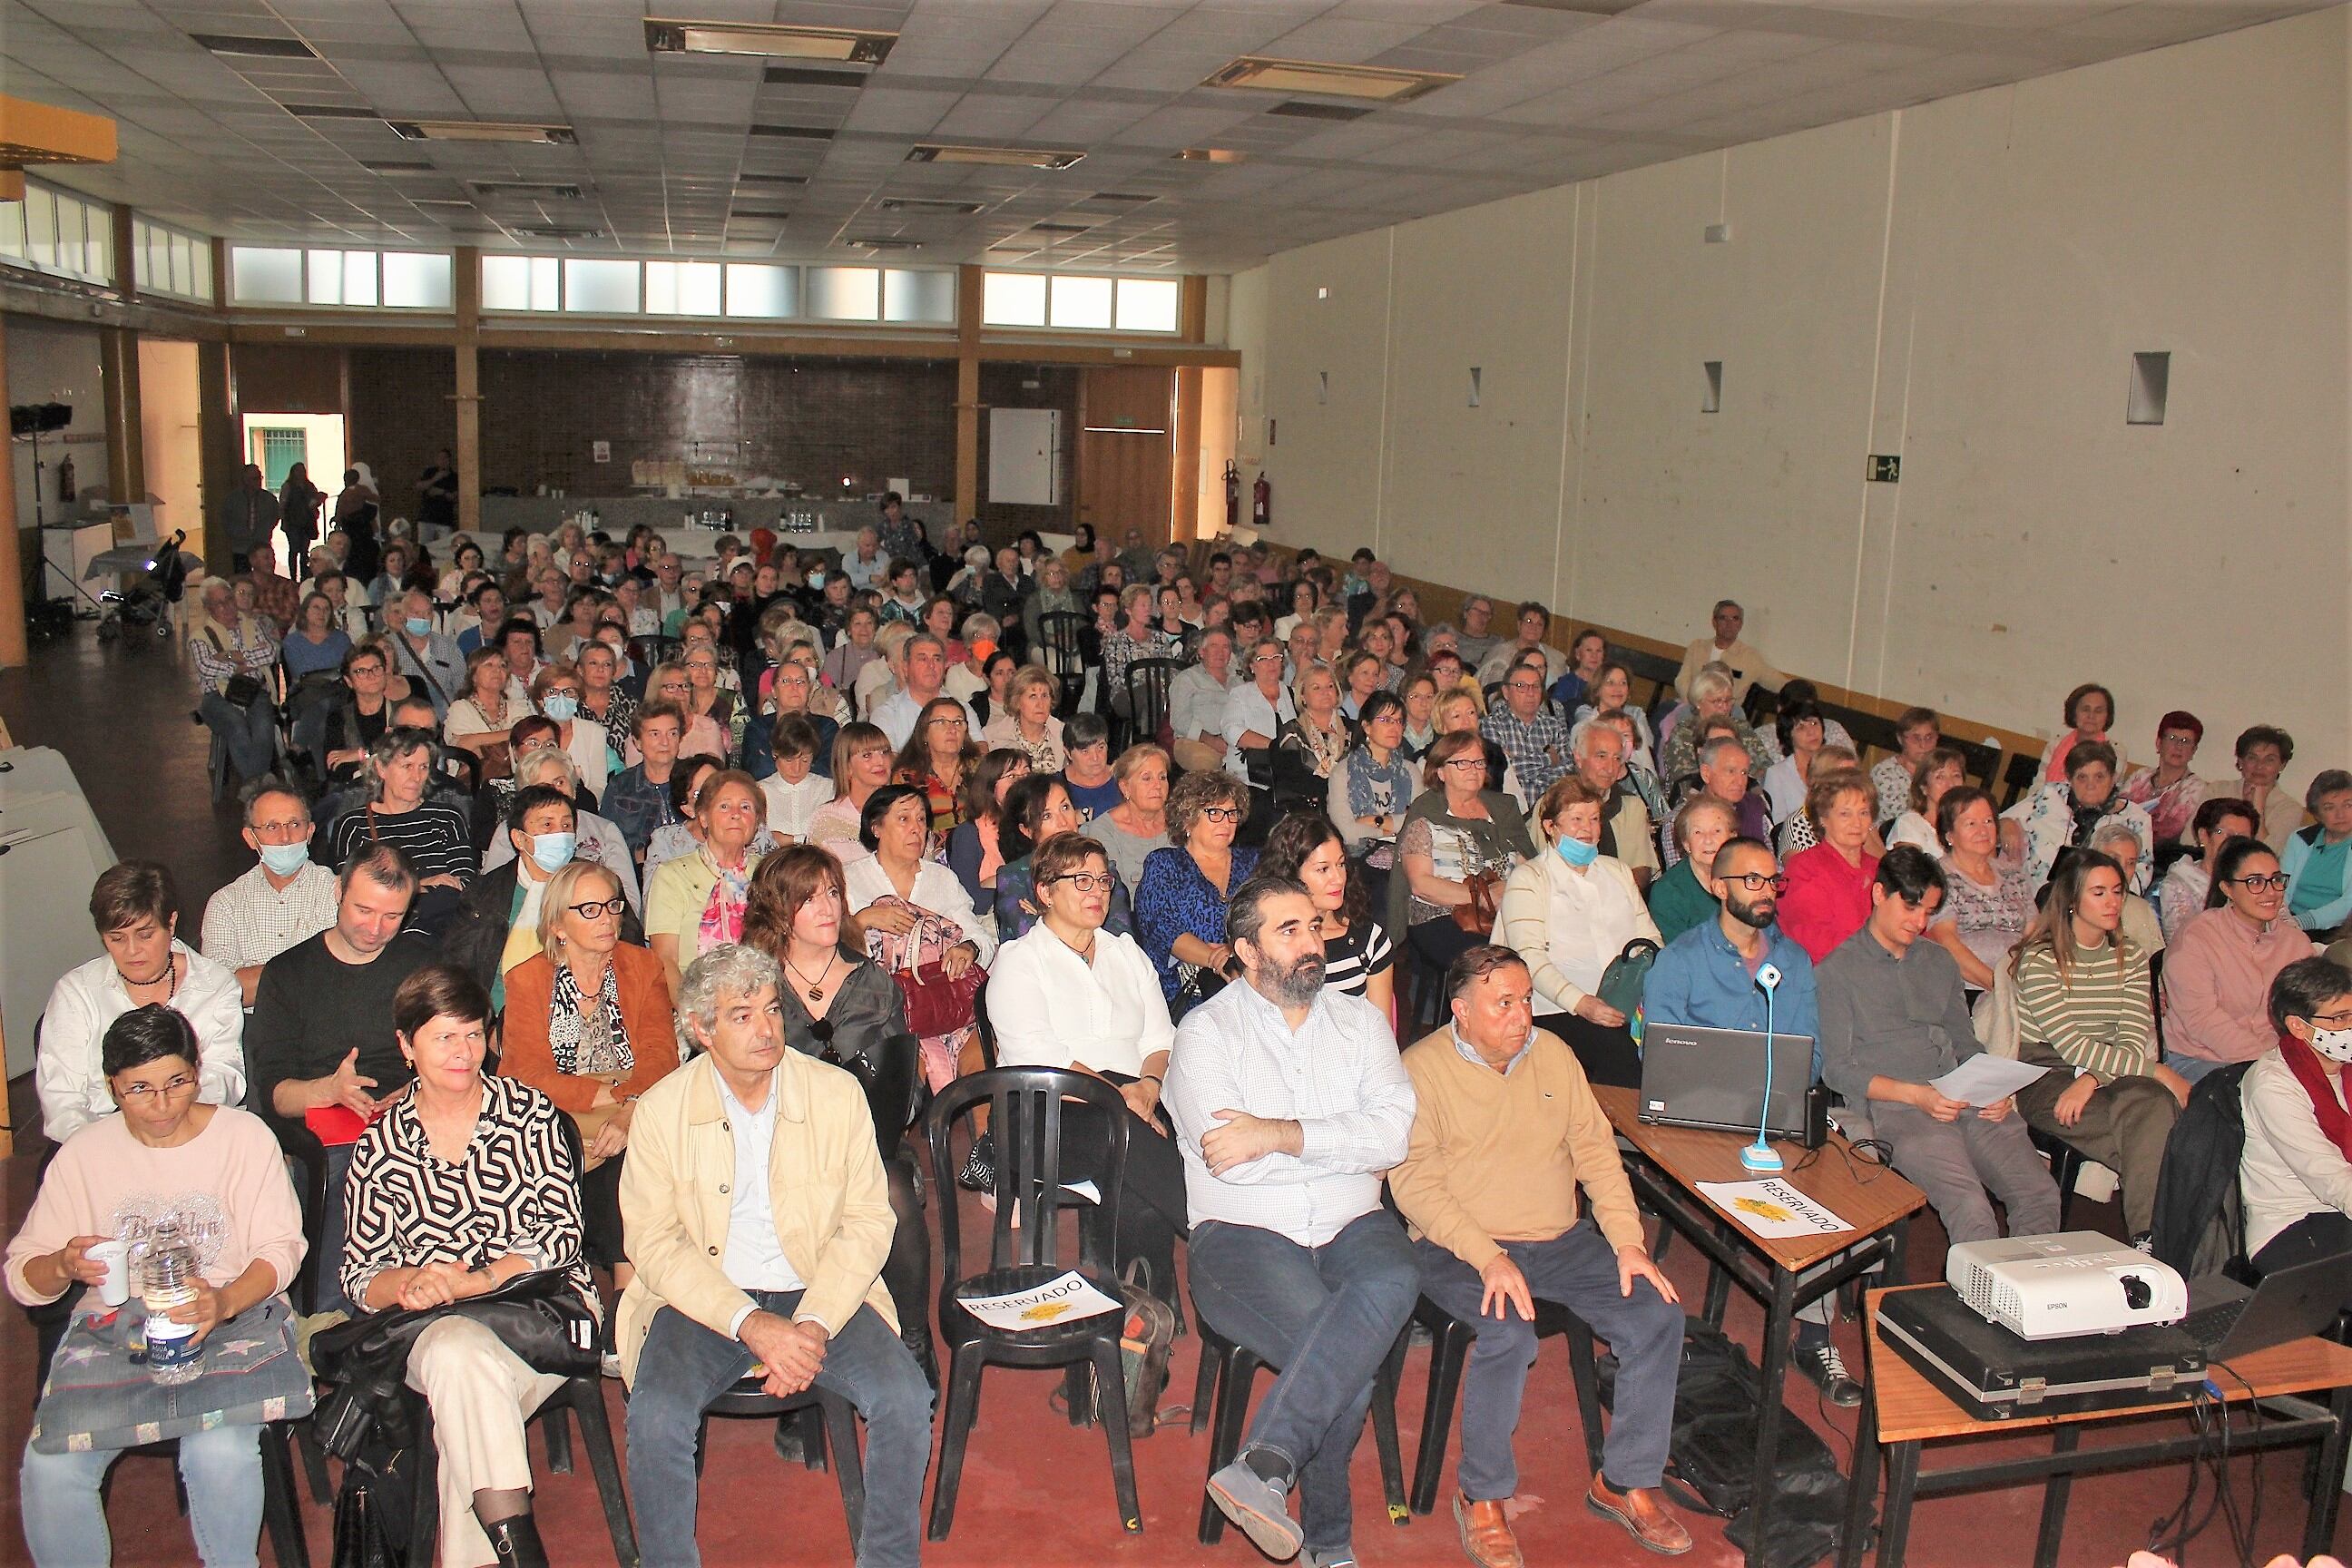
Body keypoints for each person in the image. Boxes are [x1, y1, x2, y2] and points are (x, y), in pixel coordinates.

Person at [617, 940, 932, 1568]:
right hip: (705, 1300)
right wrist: (750, 1323)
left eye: (770, 1010)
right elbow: (652, 1243)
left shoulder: (834, 1094)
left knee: (906, 1399)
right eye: (742, 1015)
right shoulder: (660, 1112)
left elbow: (869, 1220)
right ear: (700, 1029)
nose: (766, 1029)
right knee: (655, 1420)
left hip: (819, 1290)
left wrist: (811, 1324)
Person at [1390, 946, 1690, 1563]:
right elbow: (1414, 1185)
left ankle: (1624, 1480)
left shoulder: (1554, 1055)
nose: (1523, 1015)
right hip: (1457, 1246)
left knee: (1656, 1314)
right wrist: (1486, 1255)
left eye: (1527, 1000)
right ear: (1462, 1010)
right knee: (1508, 1332)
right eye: (1505, 1003)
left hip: (1559, 1241)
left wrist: (1628, 1244)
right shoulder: (1421, 1069)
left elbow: (1597, 1154)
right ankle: (1483, 1496)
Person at [1171, 877, 1420, 1567]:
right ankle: (1331, 1545)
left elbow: (1394, 1135)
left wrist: (1279, 1135)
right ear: (1247, 950)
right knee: (1343, 1360)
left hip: (1351, 1224)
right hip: (1244, 1236)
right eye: (1291, 931)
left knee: (1397, 1273)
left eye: (1314, 927)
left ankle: (1264, 1467)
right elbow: (1234, 1166)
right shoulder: (1204, 1035)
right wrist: (1342, 1144)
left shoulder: (1361, 1023)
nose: (1314, 944)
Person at [10, 1005, 308, 1568]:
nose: (163, 1104)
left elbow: (281, 1250)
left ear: (198, 1070)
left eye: (177, 1082)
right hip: (118, 1330)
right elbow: (25, 1277)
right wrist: (62, 1266)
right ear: (112, 1089)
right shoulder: (84, 1155)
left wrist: (221, 1302)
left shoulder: (243, 1138)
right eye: (139, 1090)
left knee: (221, 1450)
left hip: (232, 1313)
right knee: (51, 1464)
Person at [340, 964, 589, 1568]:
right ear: (406, 1045)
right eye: (443, 1037)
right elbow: (358, 1276)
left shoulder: (529, 1114)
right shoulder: (379, 1148)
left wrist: (475, 1280)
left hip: (539, 1318)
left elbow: (562, 1238)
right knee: (454, 1352)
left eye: (474, 1034)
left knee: (460, 1377)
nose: (464, 1052)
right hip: (428, 1330)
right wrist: (412, 1284)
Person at [1641, 836, 1848, 1399]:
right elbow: (1660, 1056)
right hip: (1700, 1115)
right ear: (1717, 886)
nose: (1765, 892)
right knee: (1777, 1189)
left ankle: (1812, 1333)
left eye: (1771, 881)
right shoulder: (1680, 960)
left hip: (1774, 1110)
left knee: (1828, 1191)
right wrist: (1726, 1092)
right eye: (1750, 880)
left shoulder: (1794, 959)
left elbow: (1812, 1051)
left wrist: (1775, 1094)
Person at [740, 847, 931, 1372]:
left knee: (891, 1186)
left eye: (832, 893)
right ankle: (800, 1356)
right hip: (775, 1147)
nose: (828, 907)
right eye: (810, 898)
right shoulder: (753, 986)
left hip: (865, 1143)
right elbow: (726, 1080)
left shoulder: (874, 984)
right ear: (779, 911)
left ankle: (915, 1337)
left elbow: (907, 1087)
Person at [988, 832, 1191, 1313]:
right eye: (1080, 880)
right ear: (1044, 891)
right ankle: (1211, 1231)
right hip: (1049, 1111)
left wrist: (1146, 1088)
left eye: (1103, 879)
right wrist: (1121, 1099)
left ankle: (1138, 1332)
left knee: (1135, 1184)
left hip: (1133, 1102)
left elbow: (1161, 1039)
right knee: (1132, 1142)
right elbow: (1039, 1056)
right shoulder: (1020, 962)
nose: (1096, 890)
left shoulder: (1125, 953)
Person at [1817, 849, 2063, 1246]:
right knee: (1970, 1206)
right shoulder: (1837, 971)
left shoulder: (1938, 961)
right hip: (1900, 1106)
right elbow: (1838, 1069)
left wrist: (1993, 1088)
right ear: (1880, 893)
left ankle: (2022, 1294)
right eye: (1911, 907)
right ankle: (1981, 1302)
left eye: (1928, 911)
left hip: (1964, 1093)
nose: (1920, 922)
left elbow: (1965, 1042)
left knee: (2039, 1193)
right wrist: (1917, 1095)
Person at [246, 845, 434, 1315]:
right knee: (358, 1167)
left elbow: (456, 1048)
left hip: (415, 1110)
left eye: (392, 916)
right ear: (337, 892)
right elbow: (273, 1095)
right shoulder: (289, 975)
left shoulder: (420, 965)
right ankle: (336, 1314)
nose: (375, 930)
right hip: (329, 1126)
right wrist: (328, 1089)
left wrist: (414, 1090)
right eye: (363, 910)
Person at [498, 861, 677, 1349]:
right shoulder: (527, 980)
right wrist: (604, 1096)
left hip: (636, 1103)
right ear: (558, 923)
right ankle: (608, 1294)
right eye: (591, 909)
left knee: (631, 1151)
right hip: (558, 1108)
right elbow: (522, 1074)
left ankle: (624, 1299)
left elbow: (662, 1054)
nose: (607, 919)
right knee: (585, 1148)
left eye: (613, 906)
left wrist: (627, 1108)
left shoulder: (641, 966)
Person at [2009, 849, 2186, 1246]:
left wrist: (2092, 1078)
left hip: (2110, 1070)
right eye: (2099, 892)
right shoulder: (2039, 960)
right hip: (2046, 1073)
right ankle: (2166, 1247)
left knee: (2152, 1114)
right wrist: (2159, 1071)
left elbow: (2132, 1034)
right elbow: (2070, 1045)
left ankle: (2149, 1240)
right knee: (2161, 1124)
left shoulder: (2131, 956)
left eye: (2118, 892)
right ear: (2072, 899)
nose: (2113, 902)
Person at [39, 860, 248, 1144]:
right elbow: (61, 1100)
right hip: (102, 1142)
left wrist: (171, 1120)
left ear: (171, 922)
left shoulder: (215, 985)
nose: (132, 950)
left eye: (145, 934)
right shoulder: (77, 992)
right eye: (116, 938)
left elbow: (225, 1077)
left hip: (193, 1134)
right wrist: (107, 1147)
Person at [1501, 777, 1661, 1088]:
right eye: (1576, 820)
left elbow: (1651, 941)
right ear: (1550, 827)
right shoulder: (1529, 879)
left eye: (1594, 819)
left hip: (1625, 1005)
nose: (1587, 829)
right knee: (1620, 1056)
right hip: (1556, 1008)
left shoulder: (1618, 872)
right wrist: (1583, 1003)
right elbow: (1528, 960)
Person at [846, 784, 995, 1091]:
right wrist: (861, 920)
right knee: (903, 1063)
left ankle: (986, 1139)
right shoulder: (849, 879)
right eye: (904, 819)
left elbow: (979, 936)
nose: (917, 829)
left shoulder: (942, 879)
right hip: (881, 1010)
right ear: (876, 827)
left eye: (922, 820)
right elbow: (825, 951)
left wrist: (968, 947)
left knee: (983, 1060)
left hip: (943, 1004)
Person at [2163, 836, 2318, 1083]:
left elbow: (2310, 1012)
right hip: (2202, 1059)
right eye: (2255, 882)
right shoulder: (2197, 937)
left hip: (2278, 1062)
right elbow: (2201, 1019)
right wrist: (2269, 1063)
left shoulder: (2296, 943)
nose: (2270, 891)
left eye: (2276, 880)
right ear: (2227, 889)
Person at [2237, 957, 2352, 1289]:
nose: (2349, 1026)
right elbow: (2329, 1177)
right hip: (2294, 1224)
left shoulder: (2344, 1066)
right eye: (2339, 1018)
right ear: (2299, 1026)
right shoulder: (2274, 1085)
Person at [1393, 730, 1540, 979]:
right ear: (1440, 772)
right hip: (1442, 916)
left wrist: (1514, 890)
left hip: (1506, 909)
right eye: (1461, 762)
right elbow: (1421, 885)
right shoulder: (1426, 813)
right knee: (1493, 964)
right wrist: (1481, 897)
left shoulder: (1504, 808)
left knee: (1551, 944)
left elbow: (1528, 866)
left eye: (1479, 762)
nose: (1473, 769)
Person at [201, 779, 338, 1006]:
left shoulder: (337, 893)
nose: (285, 838)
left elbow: (343, 979)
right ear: (250, 838)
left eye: (294, 824)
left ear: (310, 831)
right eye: (272, 827)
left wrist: (253, 979)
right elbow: (220, 991)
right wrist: (308, 972)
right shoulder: (225, 904)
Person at [324, 728, 476, 929]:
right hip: (384, 932)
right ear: (381, 768)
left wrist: (400, 890)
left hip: (447, 929)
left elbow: (465, 884)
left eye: (423, 767)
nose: (416, 776)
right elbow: (353, 893)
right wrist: (421, 885)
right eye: (407, 766)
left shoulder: (447, 818)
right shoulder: (354, 824)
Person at [1136, 770, 1260, 1014]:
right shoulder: (1165, 864)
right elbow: (1163, 929)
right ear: (1187, 818)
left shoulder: (1254, 861)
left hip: (1253, 983)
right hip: (1187, 993)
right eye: (1214, 813)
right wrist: (1219, 959)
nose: (1226, 822)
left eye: (1231, 813)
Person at [645, 768, 769, 995]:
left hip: (759, 1000)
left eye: (746, 807)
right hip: (696, 1003)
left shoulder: (769, 874)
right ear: (703, 817)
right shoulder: (672, 875)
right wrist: (689, 1014)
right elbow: (665, 960)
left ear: (756, 821)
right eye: (724, 806)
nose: (736, 814)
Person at [1261, 812, 1396, 1014]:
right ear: (1291, 875)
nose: (1338, 878)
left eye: (1341, 864)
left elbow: (1380, 1031)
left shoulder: (1369, 940)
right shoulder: (1268, 944)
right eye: (1323, 869)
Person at [2003, 740, 2156, 891]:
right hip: (2034, 898)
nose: (2090, 785)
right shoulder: (2050, 796)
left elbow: (2139, 879)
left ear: (2113, 778)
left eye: (2099, 777)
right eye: (2082, 777)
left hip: (2098, 903)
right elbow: (1999, 822)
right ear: (2069, 779)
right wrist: (2006, 824)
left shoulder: (2136, 819)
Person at [1926, 786, 2036, 992]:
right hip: (1965, 991)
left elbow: (2035, 936)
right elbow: (1947, 943)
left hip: (2020, 984)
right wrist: (2001, 986)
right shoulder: (1938, 877)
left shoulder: (2014, 874)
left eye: (1988, 821)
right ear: (1949, 834)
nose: (1983, 830)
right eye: (1971, 824)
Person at [1779, 771, 1881, 963]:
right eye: (1845, 814)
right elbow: (1812, 943)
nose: (1857, 823)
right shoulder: (1804, 869)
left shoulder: (1880, 869)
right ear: (1823, 819)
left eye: (1864, 813)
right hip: (1833, 977)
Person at [190, 576, 279, 784]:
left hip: (253, 690)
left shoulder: (252, 626)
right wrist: (245, 662)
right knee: (236, 725)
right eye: (219, 603)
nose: (227, 606)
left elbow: (269, 653)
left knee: (264, 725)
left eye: (229, 599)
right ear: (208, 607)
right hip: (216, 696)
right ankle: (258, 782)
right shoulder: (200, 635)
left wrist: (230, 656)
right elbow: (206, 667)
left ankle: (253, 784)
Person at [1327, 690, 1414, 866]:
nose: (1394, 727)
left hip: (1405, 858)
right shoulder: (1343, 772)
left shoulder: (1410, 771)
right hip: (1357, 859)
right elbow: (1348, 832)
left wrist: (1376, 821)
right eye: (1385, 720)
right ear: (1366, 726)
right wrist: (1387, 832)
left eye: (1399, 721)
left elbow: (1418, 822)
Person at [2163, 798, 2264, 946]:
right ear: (2203, 835)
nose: (2234, 843)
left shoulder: (2262, 881)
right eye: (2226, 834)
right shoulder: (2178, 884)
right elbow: (2183, 942)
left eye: (2242, 837)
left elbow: (2287, 927)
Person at [1572, 717, 1660, 887]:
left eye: (1617, 759)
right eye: (1601, 756)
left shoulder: (1631, 807)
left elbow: (1641, 871)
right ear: (1578, 757)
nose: (1610, 768)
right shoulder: (1554, 804)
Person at [891, 695, 979, 851]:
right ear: (925, 733)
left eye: (958, 722)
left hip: (979, 851)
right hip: (928, 854)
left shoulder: (981, 769)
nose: (952, 729)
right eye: (941, 722)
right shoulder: (908, 777)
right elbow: (904, 827)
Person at [605, 701, 689, 862]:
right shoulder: (620, 787)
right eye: (655, 734)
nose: (665, 742)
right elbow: (607, 845)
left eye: (672, 734)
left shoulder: (696, 780)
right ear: (637, 742)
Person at [1648, 796, 1737, 944]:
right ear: (1686, 844)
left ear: (1733, 837)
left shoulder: (1749, 878)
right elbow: (1680, 956)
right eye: (1698, 832)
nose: (1708, 840)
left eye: (1717, 831)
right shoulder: (1668, 892)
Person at [806, 722, 897, 866]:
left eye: (884, 752)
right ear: (847, 766)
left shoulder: (905, 810)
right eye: (867, 755)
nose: (880, 761)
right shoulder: (826, 819)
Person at [1481, 660, 1570, 802]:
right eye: (1521, 686)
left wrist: (1525, 773)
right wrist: (1548, 759)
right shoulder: (1492, 725)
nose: (1530, 693)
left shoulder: (1554, 726)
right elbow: (1500, 772)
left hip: (1551, 807)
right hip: (1511, 811)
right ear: (1506, 692)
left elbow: (1567, 771)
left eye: (1535, 686)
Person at [872, 632, 978, 751]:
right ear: (906, 668)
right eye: (922, 659)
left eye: (937, 659)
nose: (931, 665)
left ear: (944, 667)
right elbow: (888, 762)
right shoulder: (887, 714)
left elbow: (980, 750)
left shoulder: (963, 710)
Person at [1095, 742, 1174, 896]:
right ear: (1125, 787)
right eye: (1147, 778)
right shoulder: (1104, 831)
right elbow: (1117, 893)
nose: (1158, 785)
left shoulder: (1179, 821)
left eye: (1162, 777)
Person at [2121, 711, 2209, 847]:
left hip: (2160, 855)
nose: (2178, 747)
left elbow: (2170, 832)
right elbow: (2118, 811)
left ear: (2193, 750)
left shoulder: (2195, 787)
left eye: (2186, 741)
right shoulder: (2140, 775)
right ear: (2159, 743)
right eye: (2172, 738)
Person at [1223, 640, 1298, 798]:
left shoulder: (1294, 695)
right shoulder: (1240, 694)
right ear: (1251, 666)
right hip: (1249, 777)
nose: (1271, 663)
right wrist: (1273, 746)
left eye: (1275, 657)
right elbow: (1231, 730)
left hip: (1291, 776)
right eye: (1263, 659)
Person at [2282, 771, 2352, 937]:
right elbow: (2281, 886)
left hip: (2339, 930)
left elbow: (2348, 904)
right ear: (2317, 814)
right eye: (2329, 807)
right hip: (2288, 920)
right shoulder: (2300, 839)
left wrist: (2301, 922)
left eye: (2348, 805)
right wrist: (2280, 918)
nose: (2340, 814)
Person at [1674, 599, 1779, 707]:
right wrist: (1695, 705)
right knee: (1663, 711)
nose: (1729, 624)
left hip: (1725, 715)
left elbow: (1776, 682)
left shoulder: (1750, 657)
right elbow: (1682, 680)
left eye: (1735, 619)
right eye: (1723, 618)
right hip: (1690, 706)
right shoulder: (1697, 647)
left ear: (1740, 624)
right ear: (1714, 622)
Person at [2217, 724, 2307, 852]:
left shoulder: (2289, 809)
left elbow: (2269, 854)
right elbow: (2191, 840)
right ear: (2241, 762)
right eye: (2252, 758)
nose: (2260, 766)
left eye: (2270, 760)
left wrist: (2258, 808)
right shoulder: (2217, 791)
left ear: (2282, 765)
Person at [385, 587, 466, 720]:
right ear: (403, 615)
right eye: (416, 613)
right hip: (404, 716)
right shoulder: (389, 646)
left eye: (427, 613)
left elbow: (461, 687)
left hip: (443, 718)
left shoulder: (448, 646)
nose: (422, 618)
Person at [532, 662, 611, 797]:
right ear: (540, 700)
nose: (561, 697)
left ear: (578, 698)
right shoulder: (527, 733)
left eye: (568, 692)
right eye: (552, 692)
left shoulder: (595, 732)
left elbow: (598, 785)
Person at [758, 716, 837, 845]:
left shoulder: (829, 789)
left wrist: (788, 840)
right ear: (775, 754)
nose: (797, 769)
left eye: (805, 760)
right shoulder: (760, 791)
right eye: (789, 760)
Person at [979, 662, 1068, 772]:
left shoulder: (1064, 735)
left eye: (1045, 696)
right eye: (1033, 696)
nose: (1040, 704)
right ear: (1017, 701)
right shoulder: (991, 737)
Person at [1171, 626, 1236, 774]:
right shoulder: (1187, 679)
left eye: (1225, 647)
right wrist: (1211, 740)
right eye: (1214, 646)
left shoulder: (1238, 681)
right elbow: (1179, 720)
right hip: (1195, 741)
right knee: (1207, 764)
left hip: (1232, 742)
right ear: (1202, 652)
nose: (1220, 652)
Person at [1886, 746, 1970, 855]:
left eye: (1956, 776)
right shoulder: (1910, 824)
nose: (1950, 784)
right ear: (1924, 787)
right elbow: (1906, 869)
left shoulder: (1968, 825)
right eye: (1940, 777)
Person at [1872, 709, 1944, 824]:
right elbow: (1899, 821)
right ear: (1900, 739)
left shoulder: (1941, 771)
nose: (1923, 745)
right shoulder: (1885, 774)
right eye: (1916, 738)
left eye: (1929, 737)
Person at [1762, 701, 1827, 826]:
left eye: (1814, 723)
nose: (1811, 731)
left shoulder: (1835, 767)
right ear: (1788, 736)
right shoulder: (1777, 774)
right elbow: (1777, 825)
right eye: (1801, 727)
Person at [1474, 602, 1564, 688]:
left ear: (1544, 630)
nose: (1533, 627)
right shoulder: (1499, 653)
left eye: (1539, 624)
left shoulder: (1557, 658)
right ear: (1519, 624)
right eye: (1529, 621)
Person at [2039, 682, 2115, 783]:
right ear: (2074, 714)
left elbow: (2102, 792)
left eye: (2098, 711)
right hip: (2046, 798)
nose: (2091, 716)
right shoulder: (2055, 745)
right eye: (2085, 709)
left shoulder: (2115, 752)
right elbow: (2039, 784)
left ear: (2107, 717)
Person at [219, 462, 279, 573]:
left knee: (264, 576)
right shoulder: (233, 499)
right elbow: (226, 519)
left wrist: (265, 530)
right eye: (254, 479)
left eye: (259, 477)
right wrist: (236, 533)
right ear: (245, 480)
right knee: (242, 577)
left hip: (262, 544)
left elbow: (275, 516)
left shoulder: (268, 499)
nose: (258, 481)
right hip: (240, 547)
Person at [279, 459, 323, 565]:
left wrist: (317, 500)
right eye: (298, 471)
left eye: (302, 471)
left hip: (307, 522)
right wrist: (284, 519)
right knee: (294, 550)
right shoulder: (288, 486)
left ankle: (304, 575)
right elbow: (283, 504)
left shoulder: (309, 486)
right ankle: (293, 577)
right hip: (292, 522)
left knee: (304, 551)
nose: (301, 473)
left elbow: (315, 500)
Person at [417, 447, 459, 534]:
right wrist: (435, 479)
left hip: (445, 519)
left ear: (449, 460)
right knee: (424, 546)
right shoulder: (429, 472)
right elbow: (420, 486)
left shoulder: (454, 477)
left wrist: (438, 491)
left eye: (445, 458)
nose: (442, 460)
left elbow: (453, 496)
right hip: (427, 518)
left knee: (444, 545)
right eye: (439, 458)